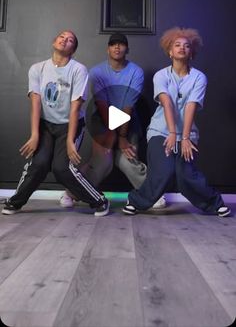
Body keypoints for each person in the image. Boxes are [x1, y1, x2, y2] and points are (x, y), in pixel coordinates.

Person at [123, 27, 231, 217]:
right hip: (160, 131)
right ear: (170, 51)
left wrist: (185, 137)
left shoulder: (199, 78)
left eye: (186, 46)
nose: (182, 48)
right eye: (177, 45)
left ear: (191, 52)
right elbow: (166, 103)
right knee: (163, 171)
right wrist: (172, 133)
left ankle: (214, 203)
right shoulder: (161, 75)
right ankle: (136, 201)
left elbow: (191, 106)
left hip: (187, 134)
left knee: (185, 175)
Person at [2, 30, 109, 216]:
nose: (65, 40)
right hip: (45, 124)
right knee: (39, 164)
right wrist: (35, 134)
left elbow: (76, 107)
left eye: (70, 40)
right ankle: (15, 201)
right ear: (54, 41)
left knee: (62, 168)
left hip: (70, 124)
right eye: (62, 37)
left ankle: (99, 200)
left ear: (73, 50)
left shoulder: (78, 70)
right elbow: (35, 103)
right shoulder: (37, 69)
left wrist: (69, 140)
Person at [60, 32, 166, 208]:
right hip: (103, 121)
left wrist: (122, 138)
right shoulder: (96, 72)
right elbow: (102, 106)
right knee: (103, 163)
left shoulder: (136, 72)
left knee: (127, 159)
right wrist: (112, 138)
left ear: (127, 49)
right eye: (113, 44)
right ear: (108, 49)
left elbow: (128, 107)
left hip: (128, 121)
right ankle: (71, 192)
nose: (117, 47)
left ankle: (152, 193)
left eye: (121, 44)